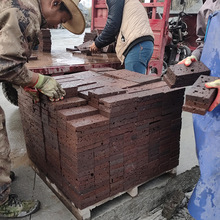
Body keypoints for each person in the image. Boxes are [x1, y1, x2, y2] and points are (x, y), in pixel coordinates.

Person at [0, 0, 85, 218]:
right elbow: (6, 64)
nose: (57, 26)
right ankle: (2, 202)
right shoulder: (26, 13)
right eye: (62, 20)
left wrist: (26, 82)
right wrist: (38, 80)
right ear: (54, 3)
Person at [179, 0, 220, 219]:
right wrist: (195, 55)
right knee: (209, 158)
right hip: (210, 98)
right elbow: (205, 43)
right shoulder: (209, 7)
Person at [89, 0, 154, 75]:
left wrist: (97, 43)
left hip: (136, 46)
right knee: (138, 82)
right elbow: (114, 31)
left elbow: (112, 25)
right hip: (145, 44)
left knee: (133, 83)